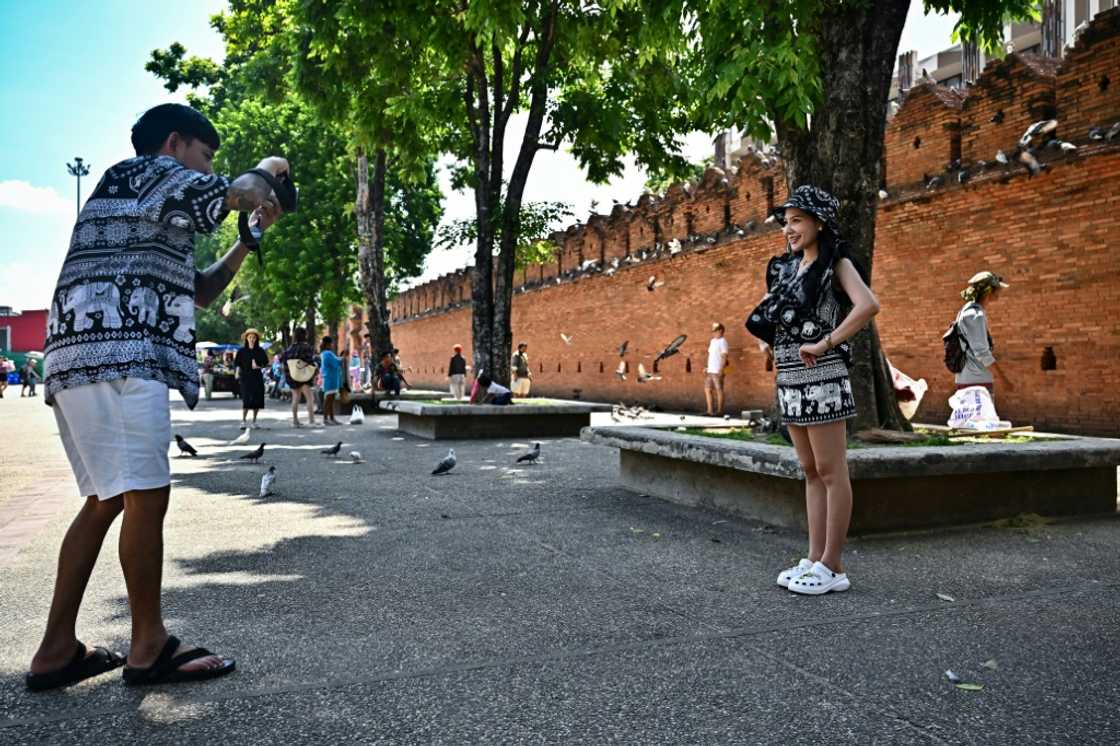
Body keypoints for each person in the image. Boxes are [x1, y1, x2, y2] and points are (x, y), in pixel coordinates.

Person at [28, 103, 287, 690]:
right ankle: (148, 646)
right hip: (119, 353)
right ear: (175, 144)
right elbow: (243, 188)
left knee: (105, 500)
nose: (206, 171)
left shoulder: (142, 202)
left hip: (82, 357)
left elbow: (197, 291)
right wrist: (271, 168)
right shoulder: (150, 172)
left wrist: (249, 238)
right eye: (205, 156)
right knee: (146, 494)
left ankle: (56, 650)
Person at [746, 185, 880, 596]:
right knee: (809, 470)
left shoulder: (834, 262)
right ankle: (814, 557)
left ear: (819, 222)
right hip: (790, 377)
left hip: (822, 376)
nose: (789, 229)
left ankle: (833, 564)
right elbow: (770, 315)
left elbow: (868, 305)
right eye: (786, 222)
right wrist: (768, 340)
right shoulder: (786, 269)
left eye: (798, 220)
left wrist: (826, 342)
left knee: (830, 470)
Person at [953, 271, 1012, 399]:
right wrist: (1004, 379)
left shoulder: (967, 311)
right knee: (981, 419)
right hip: (976, 383)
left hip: (968, 380)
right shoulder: (975, 315)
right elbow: (982, 354)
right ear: (989, 292)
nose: (999, 293)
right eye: (997, 290)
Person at [281, 328, 318, 427]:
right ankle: (311, 421)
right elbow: (310, 361)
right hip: (304, 376)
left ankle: (295, 421)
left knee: (295, 398)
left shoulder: (289, 349)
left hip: (293, 376)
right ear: (304, 335)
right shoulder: (307, 347)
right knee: (309, 398)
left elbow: (283, 360)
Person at [235, 328, 269, 429]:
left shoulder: (260, 351)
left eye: (254, 337)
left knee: (257, 400)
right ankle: (243, 421)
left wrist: (259, 366)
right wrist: (237, 373)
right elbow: (238, 364)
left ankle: (254, 421)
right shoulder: (242, 351)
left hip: (257, 377)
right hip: (245, 378)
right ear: (246, 338)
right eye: (250, 337)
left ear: (256, 339)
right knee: (246, 400)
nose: (252, 339)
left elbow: (265, 363)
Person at [704, 323, 729, 416]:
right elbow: (711, 356)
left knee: (719, 390)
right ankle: (709, 411)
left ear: (720, 331)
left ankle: (720, 411)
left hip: (718, 370)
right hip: (710, 370)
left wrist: (721, 369)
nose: (713, 333)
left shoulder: (723, 341)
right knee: (707, 389)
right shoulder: (712, 341)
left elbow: (724, 356)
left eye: (714, 331)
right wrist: (707, 367)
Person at [319, 336, 343, 426]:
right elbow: (336, 363)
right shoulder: (328, 354)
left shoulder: (325, 353)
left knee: (331, 400)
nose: (332, 345)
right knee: (328, 400)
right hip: (330, 379)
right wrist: (342, 358)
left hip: (330, 378)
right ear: (328, 344)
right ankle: (326, 419)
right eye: (331, 343)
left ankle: (331, 418)